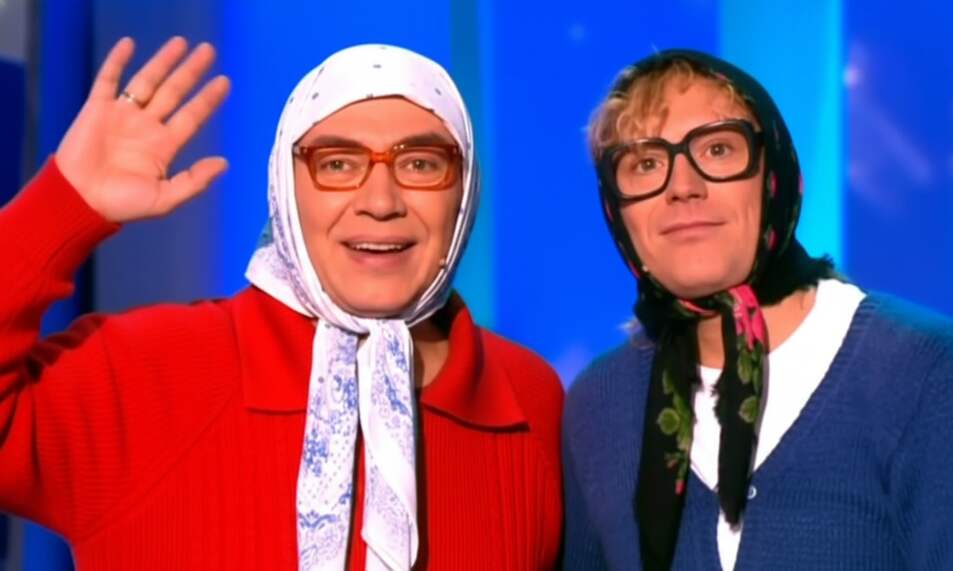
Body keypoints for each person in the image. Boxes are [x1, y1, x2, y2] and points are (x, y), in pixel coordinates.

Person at [0, 37, 563, 570]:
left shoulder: (527, 398)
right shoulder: (144, 371)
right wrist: (60, 206)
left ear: (464, 191)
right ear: (284, 190)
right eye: (337, 164)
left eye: (420, 163)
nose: (380, 201)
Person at [562, 49, 953, 570]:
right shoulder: (600, 405)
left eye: (718, 149)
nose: (682, 187)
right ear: (616, 209)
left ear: (777, 176)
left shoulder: (929, 374)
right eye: (646, 164)